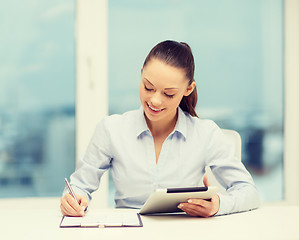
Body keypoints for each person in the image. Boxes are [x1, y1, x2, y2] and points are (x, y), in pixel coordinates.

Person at [60, 40, 260, 217]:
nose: (155, 100)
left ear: (188, 89)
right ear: (141, 75)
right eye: (148, 87)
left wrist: (218, 205)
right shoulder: (112, 129)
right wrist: (73, 198)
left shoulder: (206, 133)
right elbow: (79, 186)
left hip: (184, 231)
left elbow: (248, 191)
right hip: (129, 231)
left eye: (169, 94)